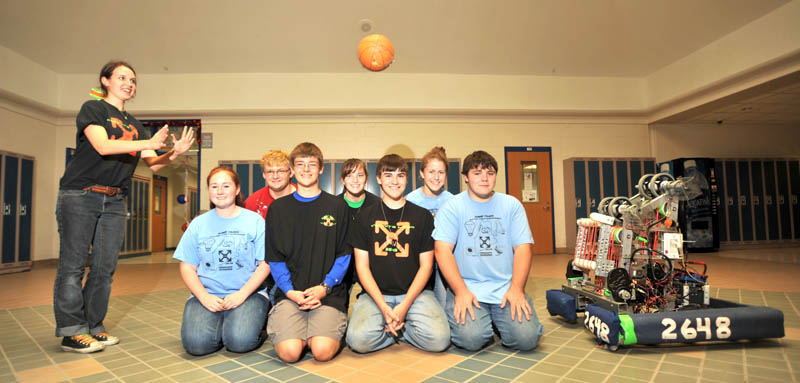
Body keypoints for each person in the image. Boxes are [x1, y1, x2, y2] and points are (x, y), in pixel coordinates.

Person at [54, 60, 195, 353]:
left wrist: (174, 152)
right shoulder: (93, 109)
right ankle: (72, 331)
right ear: (105, 81)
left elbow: (154, 164)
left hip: (115, 199)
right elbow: (103, 146)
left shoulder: (135, 125)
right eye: (122, 78)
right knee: (73, 266)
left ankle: (93, 327)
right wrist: (147, 141)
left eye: (132, 80)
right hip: (80, 194)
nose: (129, 84)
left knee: (104, 268)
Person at [433, 150, 543, 351]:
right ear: (466, 177)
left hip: (505, 288)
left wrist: (517, 289)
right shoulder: (452, 207)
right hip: (468, 288)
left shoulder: (511, 205)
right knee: (471, 339)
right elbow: (442, 251)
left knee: (527, 339)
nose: (484, 178)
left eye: (490, 173)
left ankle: (498, 321)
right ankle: (486, 321)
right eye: (477, 173)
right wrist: (460, 291)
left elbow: (523, 249)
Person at [345, 154, 450, 353]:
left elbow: (427, 266)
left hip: (416, 294)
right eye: (388, 175)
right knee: (357, 340)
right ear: (378, 179)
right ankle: (397, 327)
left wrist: (404, 306)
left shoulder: (422, 216)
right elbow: (362, 267)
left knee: (440, 340)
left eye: (400, 175)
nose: (395, 181)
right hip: (375, 295)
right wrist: (385, 308)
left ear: (407, 179)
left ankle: (397, 329)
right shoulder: (364, 216)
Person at [266, 142, 351, 362]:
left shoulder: (337, 206)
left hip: (328, 294)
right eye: (300, 164)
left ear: (321, 169)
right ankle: (299, 331)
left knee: (322, 351)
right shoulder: (278, 209)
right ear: (292, 170)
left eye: (312, 164)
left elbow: (344, 255)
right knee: (290, 352)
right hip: (290, 294)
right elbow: (275, 258)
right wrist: (289, 291)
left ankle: (314, 331)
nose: (306, 169)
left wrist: (325, 287)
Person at [174, 166, 269, 356]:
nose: (220, 191)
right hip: (209, 294)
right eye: (214, 186)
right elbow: (187, 266)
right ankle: (224, 323)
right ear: (208, 190)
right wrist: (204, 297)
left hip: (248, 294)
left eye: (226, 186)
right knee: (197, 346)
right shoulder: (198, 224)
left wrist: (242, 294)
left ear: (237, 189)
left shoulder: (255, 221)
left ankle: (253, 324)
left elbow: (265, 264)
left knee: (239, 342)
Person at [406, 146, 454, 306]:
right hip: (418, 264)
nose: (436, 177)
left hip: (443, 265)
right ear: (422, 173)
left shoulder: (452, 201)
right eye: (431, 172)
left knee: (444, 307)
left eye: (441, 172)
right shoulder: (411, 200)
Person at [244, 149, 297, 219]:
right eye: (270, 172)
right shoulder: (252, 203)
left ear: (291, 173)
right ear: (264, 174)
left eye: (281, 171)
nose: (275, 176)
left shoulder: (305, 197)